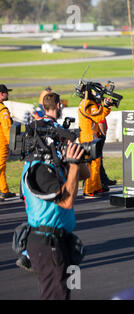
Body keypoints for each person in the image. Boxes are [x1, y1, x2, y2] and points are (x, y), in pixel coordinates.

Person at [22, 92, 89, 300]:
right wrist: (72, 163)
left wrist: (75, 157)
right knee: (56, 295)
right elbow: (67, 201)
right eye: (57, 139)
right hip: (47, 243)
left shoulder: (53, 165)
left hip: (62, 240)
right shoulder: (40, 169)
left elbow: (84, 175)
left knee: (69, 290)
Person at [78, 84, 112, 198]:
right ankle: (88, 190)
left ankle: (96, 187)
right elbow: (98, 117)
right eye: (96, 93)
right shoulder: (89, 105)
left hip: (89, 136)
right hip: (89, 138)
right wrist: (106, 107)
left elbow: (98, 116)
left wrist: (106, 107)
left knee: (96, 163)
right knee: (92, 164)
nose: (98, 95)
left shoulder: (86, 103)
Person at [0, 84, 15, 200]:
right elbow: (7, 129)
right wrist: (12, 143)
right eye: (6, 92)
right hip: (1, 142)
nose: (7, 94)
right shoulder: (3, 110)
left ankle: (4, 190)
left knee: (2, 167)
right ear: (1, 94)